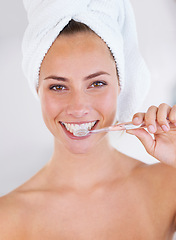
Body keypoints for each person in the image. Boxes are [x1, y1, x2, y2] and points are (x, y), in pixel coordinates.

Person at [0, 1, 176, 239]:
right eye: (58, 86)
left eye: (96, 83)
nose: (78, 108)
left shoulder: (168, 186)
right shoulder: (7, 218)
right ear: (37, 90)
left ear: (120, 84)